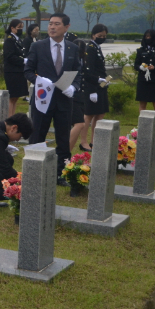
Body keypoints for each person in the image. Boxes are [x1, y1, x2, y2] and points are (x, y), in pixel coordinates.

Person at [24, 13, 82, 185]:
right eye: (50, 24)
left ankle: (61, 173)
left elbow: (78, 72)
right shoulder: (38, 47)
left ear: (66, 27)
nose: (52, 27)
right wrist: (40, 82)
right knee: (38, 134)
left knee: (63, 138)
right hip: (42, 99)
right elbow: (27, 70)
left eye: (57, 24)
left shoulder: (72, 48)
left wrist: (74, 87)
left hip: (64, 100)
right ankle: (35, 172)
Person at [81, 24, 110, 150]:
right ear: (93, 35)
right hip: (93, 86)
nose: (102, 38)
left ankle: (94, 141)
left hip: (100, 86)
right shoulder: (91, 48)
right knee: (89, 115)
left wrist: (105, 80)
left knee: (100, 114)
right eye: (100, 36)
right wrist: (93, 90)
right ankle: (83, 142)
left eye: (104, 36)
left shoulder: (97, 48)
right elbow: (88, 72)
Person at [134, 29, 155, 112]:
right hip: (143, 80)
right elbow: (136, 65)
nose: (147, 38)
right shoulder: (140, 50)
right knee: (142, 105)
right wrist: (141, 67)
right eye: (146, 36)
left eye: (149, 36)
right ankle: (142, 124)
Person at [3, 19, 28, 117]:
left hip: (19, 71)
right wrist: (23, 61)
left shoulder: (18, 40)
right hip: (12, 72)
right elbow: (9, 56)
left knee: (16, 97)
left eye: (22, 28)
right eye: (19, 28)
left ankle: (12, 116)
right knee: (12, 96)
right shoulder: (9, 40)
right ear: (12, 28)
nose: (21, 30)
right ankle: (9, 117)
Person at [69, 40, 88, 151]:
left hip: (80, 94)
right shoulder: (70, 60)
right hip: (71, 94)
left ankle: (67, 153)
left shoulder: (82, 60)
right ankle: (65, 153)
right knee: (79, 124)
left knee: (80, 124)